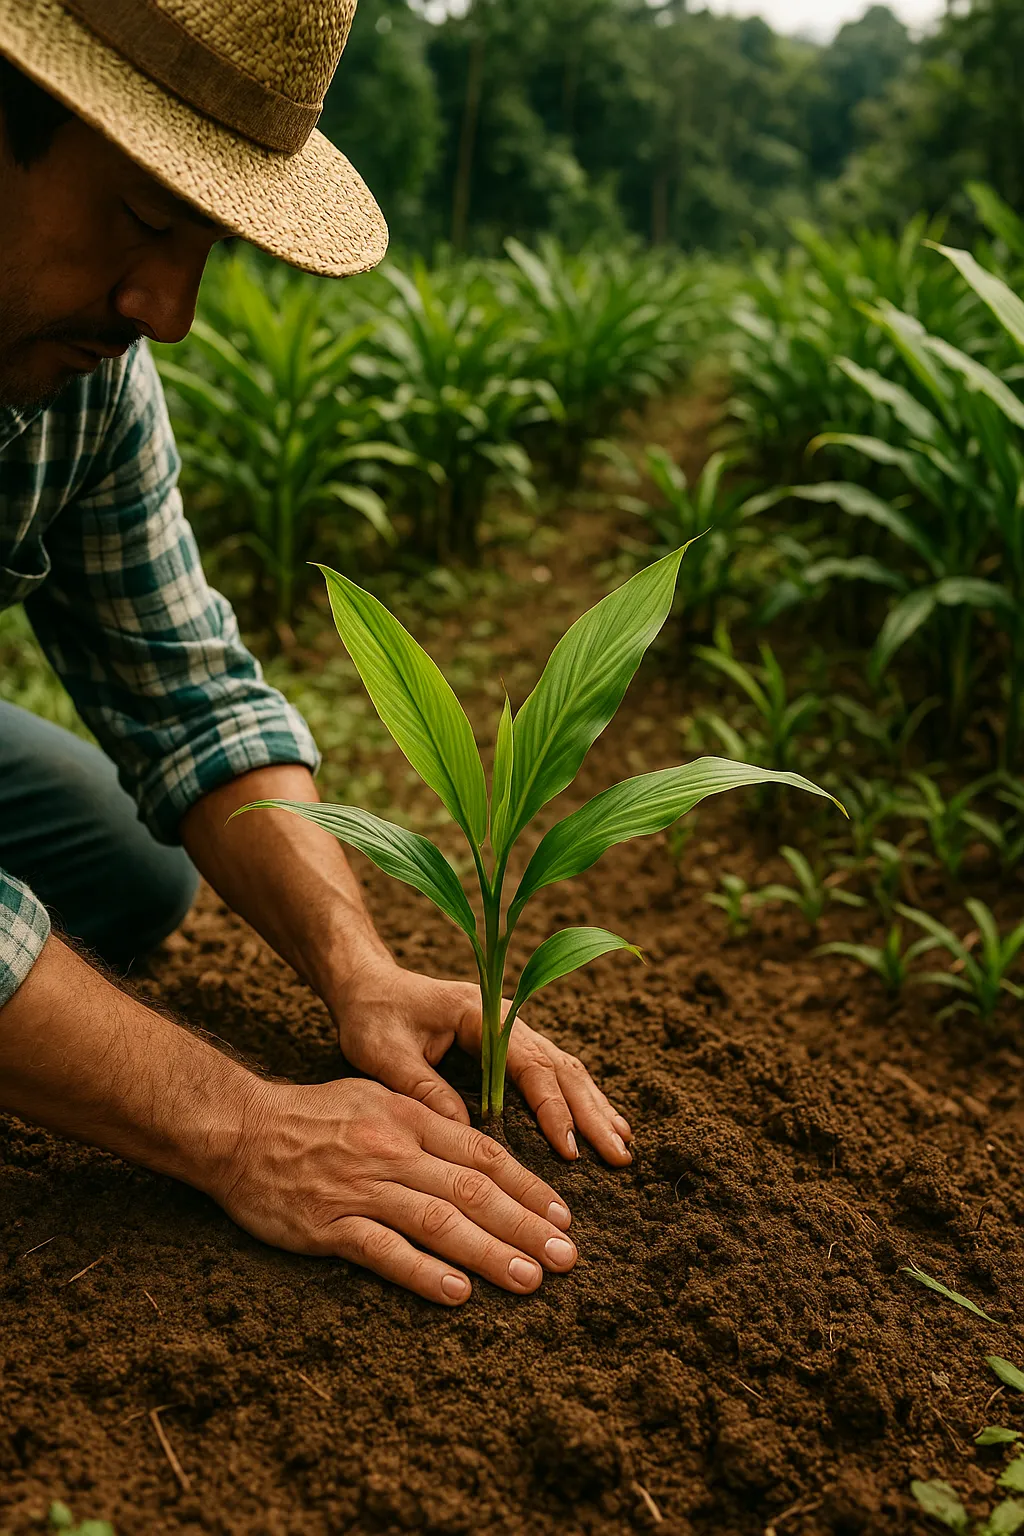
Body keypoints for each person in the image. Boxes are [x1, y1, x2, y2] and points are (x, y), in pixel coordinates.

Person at [0, 0, 633, 1307]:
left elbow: (189, 694)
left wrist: (358, 965)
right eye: (142, 217)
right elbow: (235, 1126)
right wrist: (240, 1124)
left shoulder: (84, 380)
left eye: (208, 247)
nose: (168, 312)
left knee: (125, 872)